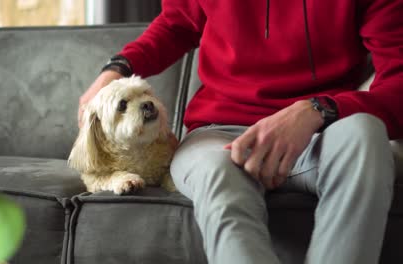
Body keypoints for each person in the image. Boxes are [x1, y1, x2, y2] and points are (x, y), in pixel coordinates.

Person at [78, 1, 402, 263]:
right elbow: (175, 23)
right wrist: (117, 67)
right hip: (219, 133)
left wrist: (318, 109)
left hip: (321, 131)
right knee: (217, 176)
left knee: (365, 132)